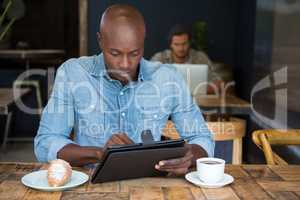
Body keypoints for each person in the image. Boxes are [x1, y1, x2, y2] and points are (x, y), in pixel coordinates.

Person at [34, 4, 214, 175]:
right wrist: (100, 154)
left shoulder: (167, 78)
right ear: (100, 40)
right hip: (89, 185)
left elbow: (202, 138)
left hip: (150, 187)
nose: (125, 64)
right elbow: (45, 143)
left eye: (134, 53)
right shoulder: (73, 73)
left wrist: (189, 158)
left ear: (143, 42)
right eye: (115, 53)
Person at [151, 24, 222, 94]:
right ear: (171, 45)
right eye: (176, 44)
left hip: (196, 101)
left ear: (189, 43)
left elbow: (218, 82)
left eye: (184, 44)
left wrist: (201, 89)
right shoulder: (160, 58)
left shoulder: (200, 57)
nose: (181, 48)